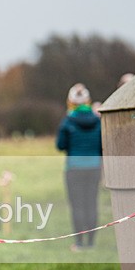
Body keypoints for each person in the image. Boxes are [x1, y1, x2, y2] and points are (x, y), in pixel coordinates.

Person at [56, 83, 102, 251]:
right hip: (94, 167)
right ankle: (91, 242)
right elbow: (102, 145)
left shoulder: (67, 121)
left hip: (74, 168)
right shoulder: (98, 121)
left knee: (77, 206)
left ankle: (79, 243)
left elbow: (60, 145)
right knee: (92, 203)